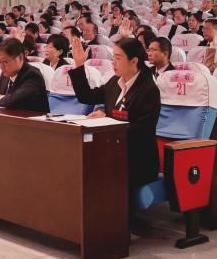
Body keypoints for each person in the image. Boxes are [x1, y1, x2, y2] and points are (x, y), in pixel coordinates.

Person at [69, 36, 161, 193]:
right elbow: (87, 97)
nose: (113, 63)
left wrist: (107, 120)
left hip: (136, 160)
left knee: (94, 173)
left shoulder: (148, 90)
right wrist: (79, 64)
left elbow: (142, 131)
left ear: (134, 61)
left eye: (118, 58)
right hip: (112, 151)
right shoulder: (115, 82)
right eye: (113, 58)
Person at [0, 38, 49, 111]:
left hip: (31, 120)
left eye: (5, 62)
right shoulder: (5, 75)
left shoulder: (32, 75)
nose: (1, 66)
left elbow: (16, 100)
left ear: (20, 57)